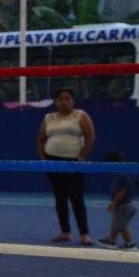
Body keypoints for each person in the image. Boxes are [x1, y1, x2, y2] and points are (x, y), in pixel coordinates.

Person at [37, 88, 95, 245]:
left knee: (76, 198)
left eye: (67, 99)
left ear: (73, 100)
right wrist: (44, 160)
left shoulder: (81, 116)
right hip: (53, 161)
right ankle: (65, 231)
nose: (64, 102)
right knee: (60, 198)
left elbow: (90, 137)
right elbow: (41, 140)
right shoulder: (48, 117)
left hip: (74, 162)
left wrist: (82, 156)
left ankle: (84, 233)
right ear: (56, 101)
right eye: (60, 99)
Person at [98, 151, 139, 250]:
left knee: (122, 226)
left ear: (111, 163)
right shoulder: (130, 172)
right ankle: (111, 240)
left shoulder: (121, 175)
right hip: (129, 205)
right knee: (117, 222)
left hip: (123, 206)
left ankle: (130, 243)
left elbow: (122, 191)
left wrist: (113, 203)